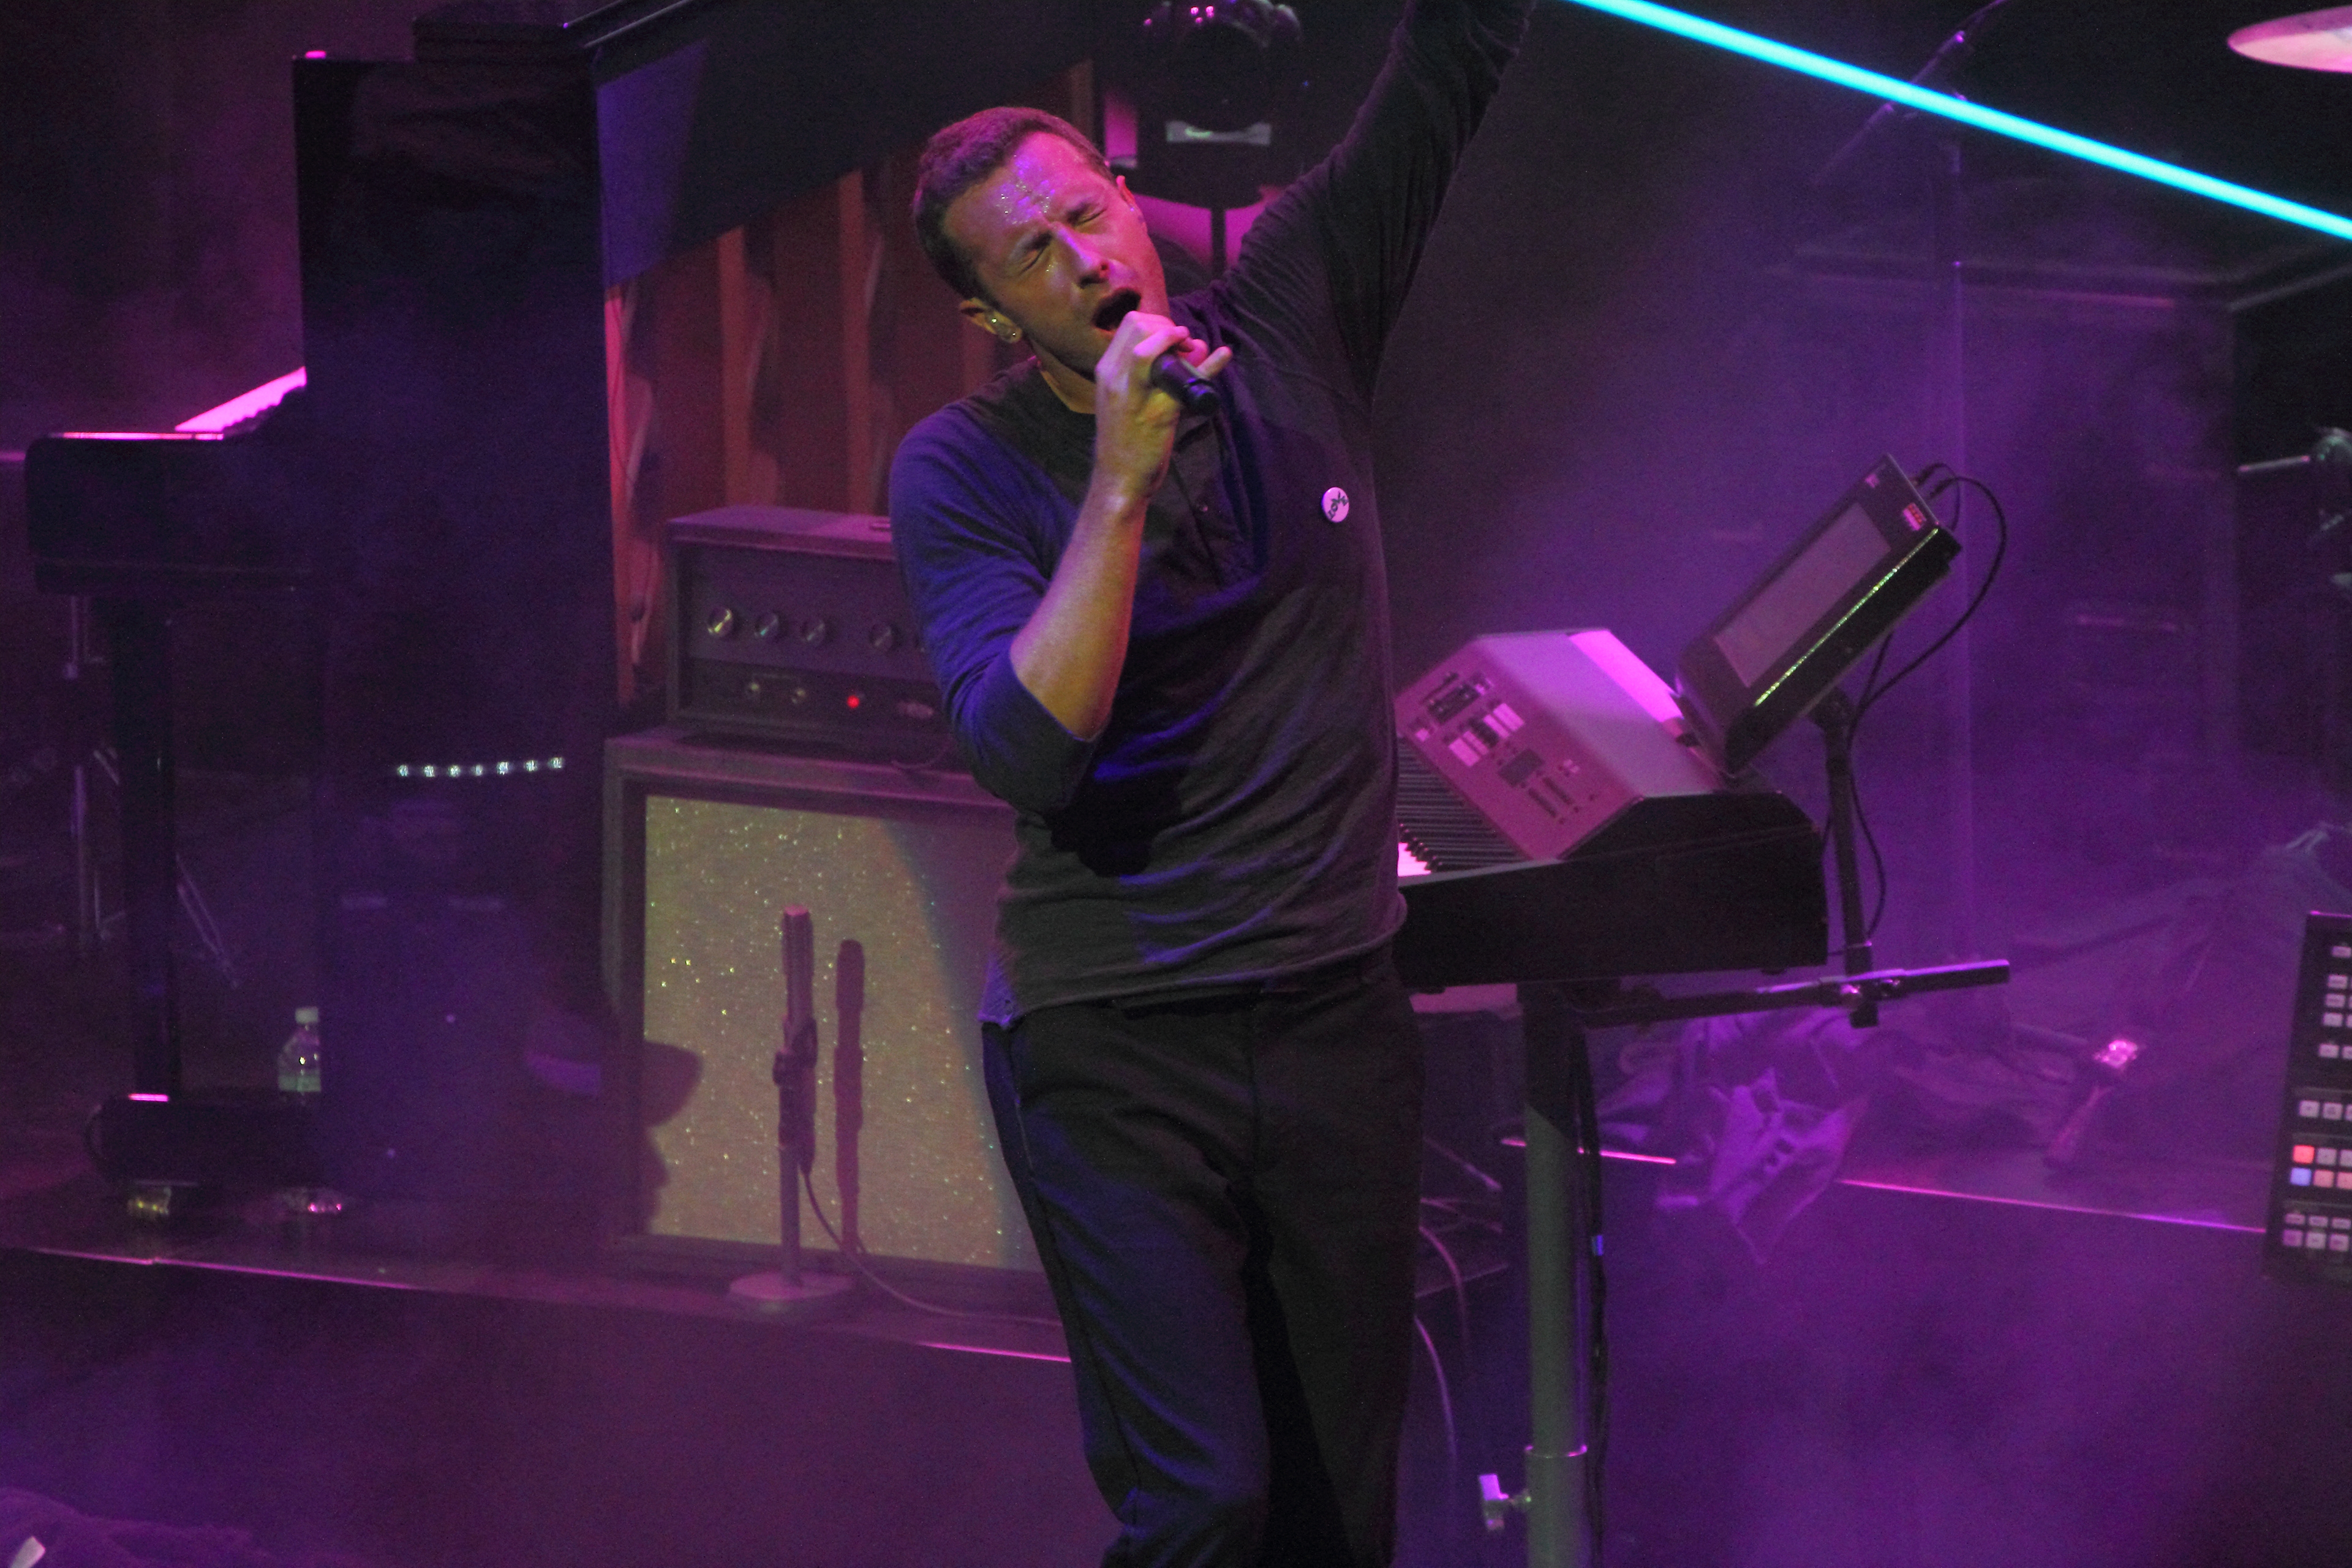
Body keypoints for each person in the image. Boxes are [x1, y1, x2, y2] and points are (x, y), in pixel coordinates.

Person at [888, 2, 1531, 1561]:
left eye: (1086, 214)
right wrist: (1120, 478)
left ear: (1128, 197)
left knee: (1335, 1512)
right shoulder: (965, 468)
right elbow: (1027, 748)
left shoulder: (1295, 306)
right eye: (1031, 255)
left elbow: (1449, 66)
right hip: (1117, 1043)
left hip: (1332, 1017)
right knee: (1205, 1496)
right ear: (989, 310)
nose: (1084, 261)